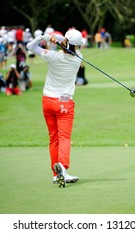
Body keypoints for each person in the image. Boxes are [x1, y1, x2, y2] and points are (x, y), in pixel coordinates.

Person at [27, 29, 83, 188]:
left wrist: (45, 37)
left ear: (64, 41)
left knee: (53, 137)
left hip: (47, 102)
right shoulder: (78, 58)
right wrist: (59, 39)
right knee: (64, 137)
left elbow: (31, 46)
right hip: (64, 104)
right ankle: (63, 169)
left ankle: (55, 174)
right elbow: (69, 44)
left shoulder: (52, 56)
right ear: (77, 46)